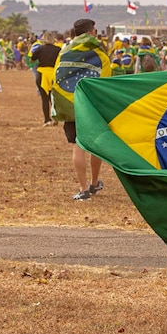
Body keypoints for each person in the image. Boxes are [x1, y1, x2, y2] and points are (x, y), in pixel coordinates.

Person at [53, 18, 111, 200]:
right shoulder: (99, 52)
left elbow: (58, 78)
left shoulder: (64, 51)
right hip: (91, 105)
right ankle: (94, 183)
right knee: (95, 146)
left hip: (70, 104)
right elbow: (106, 79)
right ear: (92, 32)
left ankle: (83, 188)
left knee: (77, 146)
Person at [31, 31, 62, 127]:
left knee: (44, 98)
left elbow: (32, 59)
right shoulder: (58, 49)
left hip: (42, 74)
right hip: (53, 75)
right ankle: (55, 117)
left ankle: (47, 120)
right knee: (53, 98)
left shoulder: (40, 49)